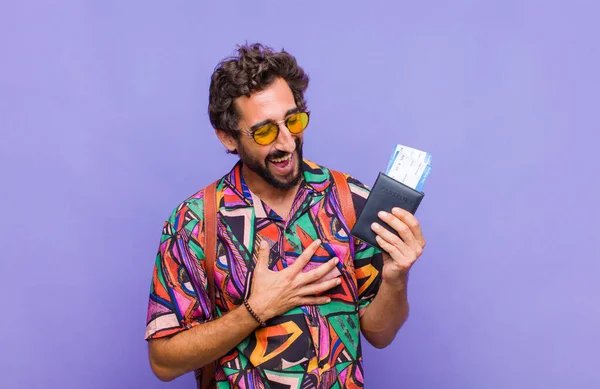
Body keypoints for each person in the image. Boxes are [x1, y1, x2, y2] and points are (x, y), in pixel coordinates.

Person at [144, 43, 426, 388]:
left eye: (293, 121)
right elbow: (163, 362)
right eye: (264, 131)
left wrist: (396, 278)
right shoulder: (195, 223)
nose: (288, 142)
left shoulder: (351, 200)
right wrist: (256, 310)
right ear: (228, 137)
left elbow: (379, 334)